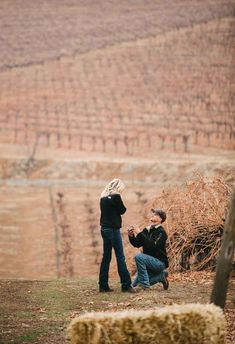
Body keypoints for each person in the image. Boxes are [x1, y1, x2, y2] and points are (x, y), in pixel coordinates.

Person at [98, 178, 135, 293]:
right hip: (113, 230)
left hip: (104, 229)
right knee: (120, 257)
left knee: (106, 257)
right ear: (118, 187)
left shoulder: (103, 197)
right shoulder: (116, 197)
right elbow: (122, 210)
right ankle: (126, 285)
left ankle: (103, 286)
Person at [128, 208, 169, 290]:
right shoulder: (147, 230)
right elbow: (137, 244)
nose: (153, 215)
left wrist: (139, 233)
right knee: (134, 285)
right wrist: (131, 236)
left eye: (155, 214)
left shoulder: (162, 232)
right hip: (148, 262)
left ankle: (145, 286)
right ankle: (161, 277)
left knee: (139, 257)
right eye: (153, 213)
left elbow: (153, 246)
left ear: (160, 219)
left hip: (159, 263)